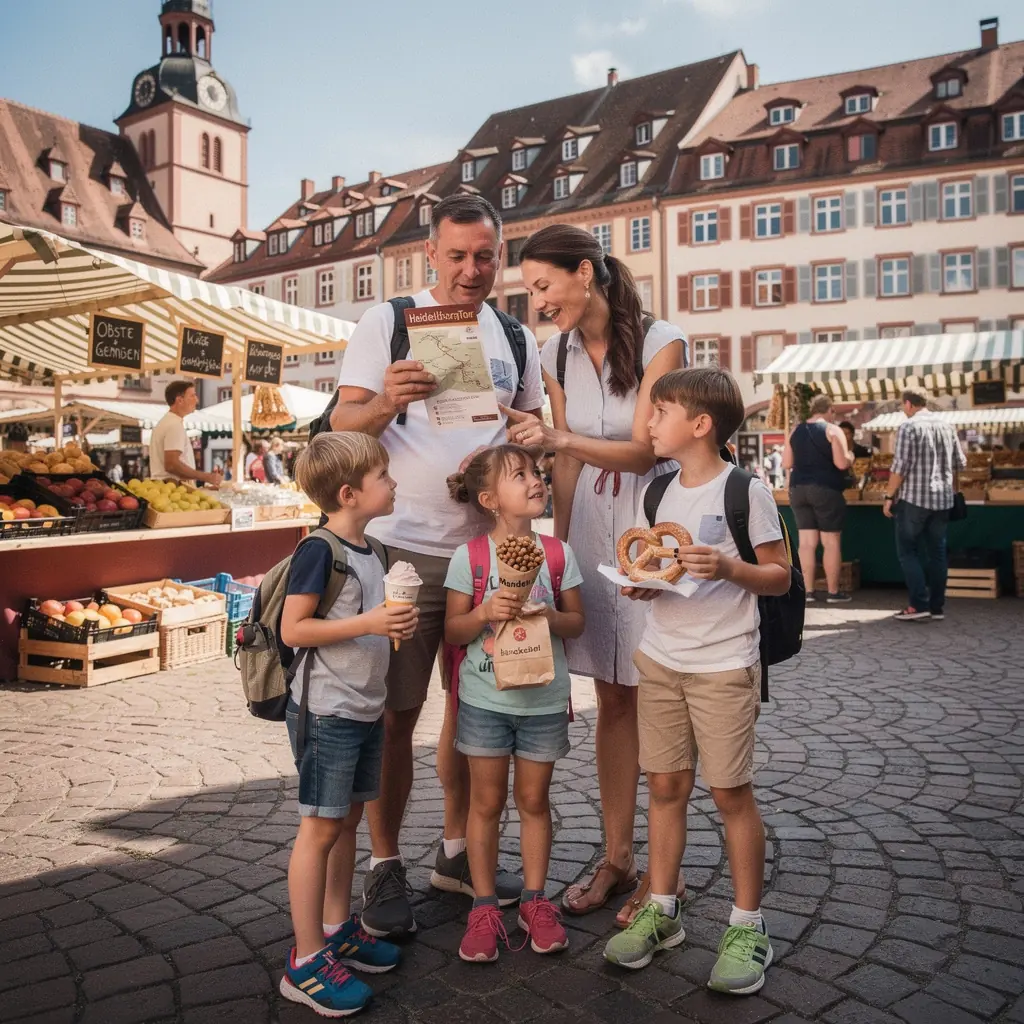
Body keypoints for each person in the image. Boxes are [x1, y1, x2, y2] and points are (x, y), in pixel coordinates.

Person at [329, 194, 544, 937]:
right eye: (456, 256)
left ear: (500, 255)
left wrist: (527, 436)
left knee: (474, 713)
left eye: (484, 256)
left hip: (486, 554)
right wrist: (387, 401)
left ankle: (456, 854)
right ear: (430, 254)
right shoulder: (388, 321)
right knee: (395, 716)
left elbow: (534, 429)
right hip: (405, 550)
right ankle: (384, 863)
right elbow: (342, 425)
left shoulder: (514, 336)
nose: (471, 270)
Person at [504, 223, 686, 924]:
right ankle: (618, 858)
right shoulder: (555, 352)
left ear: (585, 272)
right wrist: (558, 554)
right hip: (588, 526)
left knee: (657, 692)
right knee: (612, 697)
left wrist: (559, 438)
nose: (538, 302)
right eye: (530, 292)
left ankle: (664, 877)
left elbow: (645, 450)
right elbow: (567, 465)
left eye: (543, 286)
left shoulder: (662, 340)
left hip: (651, 529)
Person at [602, 367, 789, 995]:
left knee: (730, 793)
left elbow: (780, 576)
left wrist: (730, 568)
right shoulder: (658, 493)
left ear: (700, 424)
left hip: (724, 664)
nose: (649, 423)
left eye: (660, 412)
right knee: (664, 786)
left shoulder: (745, 491)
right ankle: (662, 910)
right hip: (661, 659)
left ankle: (748, 925)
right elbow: (657, 567)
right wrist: (641, 584)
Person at [277, 432, 417, 1017]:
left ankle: (337, 928)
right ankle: (305, 961)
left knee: (348, 818)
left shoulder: (373, 550)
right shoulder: (319, 550)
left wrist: (390, 625)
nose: (393, 482)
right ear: (348, 494)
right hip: (327, 710)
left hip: (363, 707)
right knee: (320, 827)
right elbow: (294, 629)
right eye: (382, 476)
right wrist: (370, 623)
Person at [444, 445, 584, 963]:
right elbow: (453, 630)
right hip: (485, 700)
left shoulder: (557, 554)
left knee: (533, 801)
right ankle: (483, 906)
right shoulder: (470, 558)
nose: (535, 480)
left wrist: (547, 614)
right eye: (518, 475)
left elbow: (577, 622)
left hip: (543, 702)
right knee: (485, 804)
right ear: (489, 500)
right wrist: (484, 612)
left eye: (535, 472)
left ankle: (534, 900)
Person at [883, 387, 967, 622]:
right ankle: (936, 607)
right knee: (937, 553)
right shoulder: (947, 426)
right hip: (943, 500)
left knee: (907, 551)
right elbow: (960, 463)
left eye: (903, 405)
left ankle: (919, 604)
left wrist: (889, 496)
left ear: (909, 404)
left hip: (914, 500)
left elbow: (900, 467)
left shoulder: (908, 427)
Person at [782, 395, 853, 603]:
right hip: (825, 489)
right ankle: (833, 592)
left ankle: (808, 592)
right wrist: (850, 457)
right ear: (829, 410)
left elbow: (787, 463)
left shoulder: (795, 431)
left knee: (806, 543)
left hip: (798, 489)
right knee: (830, 542)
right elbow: (841, 463)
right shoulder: (833, 430)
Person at [150, 381, 222, 486]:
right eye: (192, 396)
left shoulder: (169, 422)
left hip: (167, 488)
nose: (197, 400)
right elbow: (171, 465)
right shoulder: (174, 425)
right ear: (180, 400)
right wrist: (206, 477)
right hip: (172, 488)